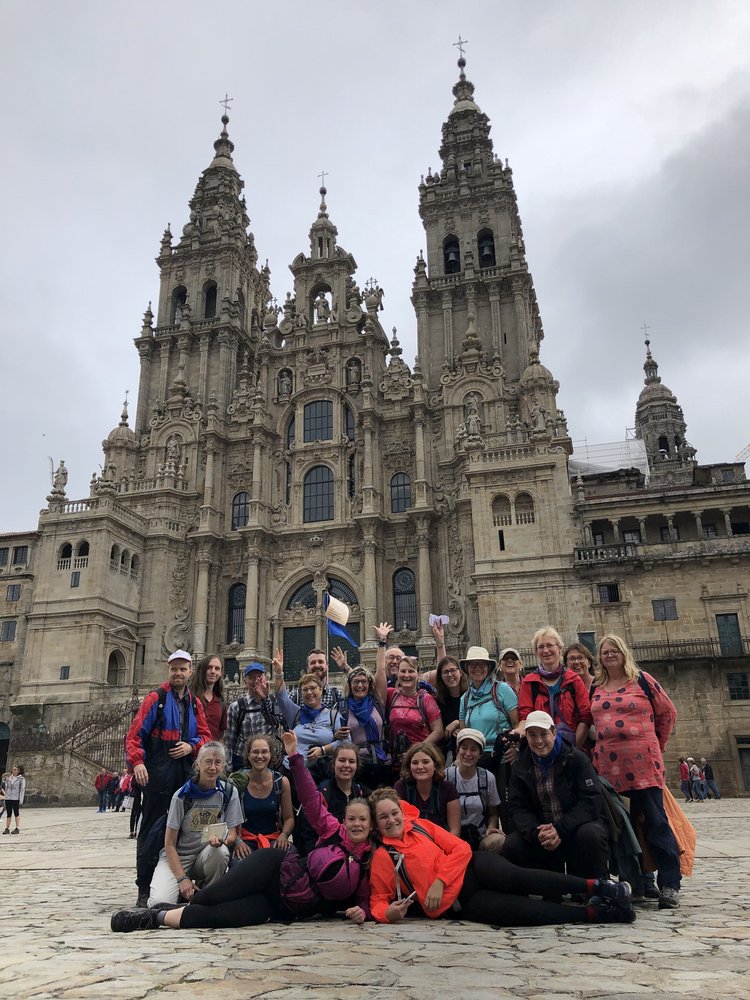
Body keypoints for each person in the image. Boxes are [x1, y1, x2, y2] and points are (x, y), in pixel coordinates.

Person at [111, 730, 373, 932]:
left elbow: (367, 898)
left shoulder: (367, 860)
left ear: (371, 825)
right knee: (217, 895)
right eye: (352, 819)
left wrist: (364, 911)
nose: (356, 824)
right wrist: (295, 758)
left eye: (363, 820)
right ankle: (150, 915)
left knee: (224, 916)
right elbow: (311, 798)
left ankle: (157, 916)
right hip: (275, 866)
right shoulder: (332, 831)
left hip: (282, 906)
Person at [368, 789, 635, 926]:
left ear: (402, 811)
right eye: (383, 817)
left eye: (394, 813)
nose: (391, 820)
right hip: (460, 903)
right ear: (376, 824)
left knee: (519, 877)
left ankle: (599, 886)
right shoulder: (383, 856)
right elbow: (378, 899)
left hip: (473, 867)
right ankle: (598, 914)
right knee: (522, 912)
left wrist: (440, 881)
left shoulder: (421, 826)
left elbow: (460, 848)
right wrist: (387, 914)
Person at [590, 634, 681, 909]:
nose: (609, 655)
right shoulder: (596, 685)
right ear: (600, 657)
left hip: (644, 767)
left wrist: (656, 744)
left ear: (623, 653)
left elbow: (667, 713)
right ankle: (637, 883)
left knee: (656, 823)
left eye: (614, 650)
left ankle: (670, 884)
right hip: (610, 771)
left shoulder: (642, 680)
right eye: (605, 651)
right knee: (624, 829)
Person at [125, 649, 212, 907]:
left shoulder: (195, 703)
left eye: (183, 669)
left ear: (190, 672)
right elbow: (135, 734)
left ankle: (181, 883)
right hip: (159, 771)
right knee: (152, 830)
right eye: (174, 669)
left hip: (184, 771)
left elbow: (206, 736)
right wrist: (138, 762)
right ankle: (144, 887)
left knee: (185, 829)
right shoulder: (156, 698)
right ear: (168, 670)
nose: (178, 673)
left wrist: (191, 746)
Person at [501, 710, 610, 880]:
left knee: (590, 836)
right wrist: (537, 832)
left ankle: (593, 887)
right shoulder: (521, 765)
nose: (538, 741)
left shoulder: (576, 759)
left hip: (574, 826)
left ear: (554, 733)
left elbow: (592, 800)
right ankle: (537, 888)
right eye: (532, 735)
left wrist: (560, 829)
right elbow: (517, 806)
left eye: (544, 734)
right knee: (512, 846)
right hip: (541, 829)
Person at [147, 741, 243, 906]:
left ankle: (207, 896)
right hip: (178, 857)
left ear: (223, 766)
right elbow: (169, 844)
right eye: (208, 762)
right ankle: (182, 890)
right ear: (197, 764)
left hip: (206, 855)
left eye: (218, 762)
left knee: (220, 852)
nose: (212, 767)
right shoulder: (182, 796)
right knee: (159, 903)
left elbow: (233, 834)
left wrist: (222, 841)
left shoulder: (228, 792)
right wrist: (182, 878)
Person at [518, 628, 592, 749]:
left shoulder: (574, 680)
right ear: (536, 652)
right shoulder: (529, 682)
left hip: (570, 747)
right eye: (540, 647)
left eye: (549, 645)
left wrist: (573, 749)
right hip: (540, 748)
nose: (545, 650)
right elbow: (525, 716)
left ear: (559, 648)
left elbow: (585, 717)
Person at [229, 734, 294, 855]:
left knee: (290, 858)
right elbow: (228, 818)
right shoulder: (237, 781)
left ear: (270, 755)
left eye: (264, 752)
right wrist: (237, 842)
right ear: (248, 755)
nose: (260, 756)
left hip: (273, 838)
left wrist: (284, 835)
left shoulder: (281, 782)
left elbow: (289, 818)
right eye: (255, 752)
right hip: (244, 839)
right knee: (239, 864)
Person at [445, 728, 504, 852]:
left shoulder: (488, 777)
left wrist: (491, 827)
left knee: (499, 840)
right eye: (464, 748)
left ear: (480, 754)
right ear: (457, 750)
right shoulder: (446, 776)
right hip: (451, 838)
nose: (468, 753)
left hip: (480, 836)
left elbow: (493, 813)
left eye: (473, 749)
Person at [458, 646, 519, 763]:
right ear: (467, 668)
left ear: (488, 667)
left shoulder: (502, 689)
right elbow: (463, 734)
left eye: (482, 664)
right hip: (475, 759)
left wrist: (515, 747)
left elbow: (516, 723)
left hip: (502, 758)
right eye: (473, 665)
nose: (477, 668)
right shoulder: (464, 699)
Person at [224, 661, 284, 772]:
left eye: (259, 677)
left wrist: (265, 698)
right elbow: (229, 740)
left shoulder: (273, 702)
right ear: (245, 681)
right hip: (243, 760)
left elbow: (277, 721)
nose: (256, 680)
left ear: (265, 679)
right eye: (251, 677)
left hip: (268, 758)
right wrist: (228, 767)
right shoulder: (236, 707)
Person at [385, 656, 443, 763]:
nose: (406, 675)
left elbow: (438, 731)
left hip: (421, 760)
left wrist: (416, 752)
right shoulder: (391, 695)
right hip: (397, 761)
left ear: (418, 674)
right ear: (398, 674)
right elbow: (371, 685)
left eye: (411, 671)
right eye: (403, 671)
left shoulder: (426, 699)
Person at [394, 743, 460, 835]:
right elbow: (397, 827)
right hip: (411, 840)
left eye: (425, 762)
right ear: (409, 766)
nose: (420, 767)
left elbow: (455, 831)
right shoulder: (401, 787)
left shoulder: (448, 788)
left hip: (442, 841)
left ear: (435, 765)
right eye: (415, 763)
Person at [434, 655, 468, 761]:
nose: (450, 675)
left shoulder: (470, 696)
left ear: (460, 672)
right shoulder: (437, 701)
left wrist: (457, 723)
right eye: (445, 672)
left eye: (453, 670)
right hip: (447, 751)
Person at [190, 654, 228, 742]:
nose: (213, 671)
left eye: (217, 668)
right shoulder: (189, 697)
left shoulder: (220, 702)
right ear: (202, 670)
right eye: (209, 667)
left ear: (220, 673)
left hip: (212, 748)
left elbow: (221, 732)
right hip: (192, 748)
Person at [2, 765, 25, 835]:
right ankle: (7, 828)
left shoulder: (21, 779)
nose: (13, 771)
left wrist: (21, 799)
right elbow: (7, 788)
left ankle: (17, 828)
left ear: (18, 771)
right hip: (8, 798)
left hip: (16, 798)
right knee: (8, 813)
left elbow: (22, 789)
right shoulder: (9, 778)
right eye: (13, 769)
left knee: (16, 813)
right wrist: (6, 782)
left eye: (15, 770)